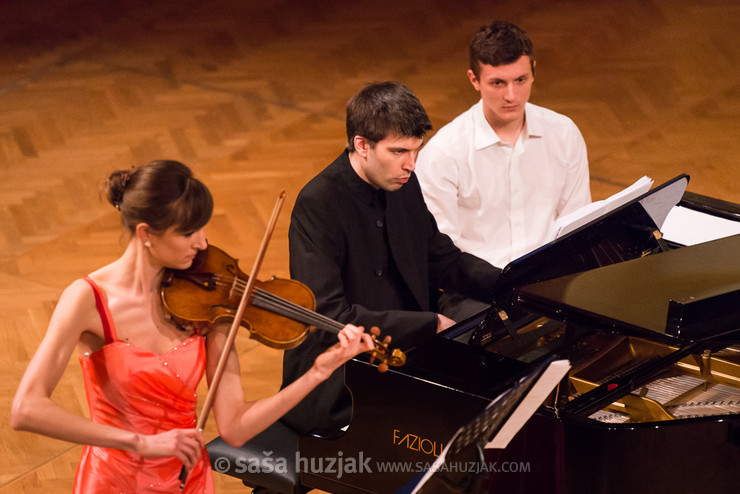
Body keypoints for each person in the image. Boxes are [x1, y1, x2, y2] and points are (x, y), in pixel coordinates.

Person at [10, 160, 374, 493]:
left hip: (189, 481)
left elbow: (235, 427)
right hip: (115, 481)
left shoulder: (207, 303)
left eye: (202, 228)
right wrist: (138, 442)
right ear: (146, 233)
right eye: (188, 233)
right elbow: (26, 409)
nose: (202, 243)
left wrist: (316, 373)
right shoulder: (86, 300)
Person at [280, 82, 502, 435]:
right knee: (451, 413)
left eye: (416, 150)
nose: (411, 164)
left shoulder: (402, 180)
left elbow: (442, 260)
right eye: (399, 151)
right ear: (362, 145)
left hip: (407, 350)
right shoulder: (318, 204)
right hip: (344, 376)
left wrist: (509, 283)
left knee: (495, 335)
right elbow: (329, 317)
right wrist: (428, 325)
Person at [416, 21, 592, 268]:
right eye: (498, 83)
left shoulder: (564, 133)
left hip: (548, 277)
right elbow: (442, 254)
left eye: (520, 80)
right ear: (474, 80)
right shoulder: (442, 154)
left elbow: (577, 225)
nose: (512, 95)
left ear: (533, 72)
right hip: (473, 287)